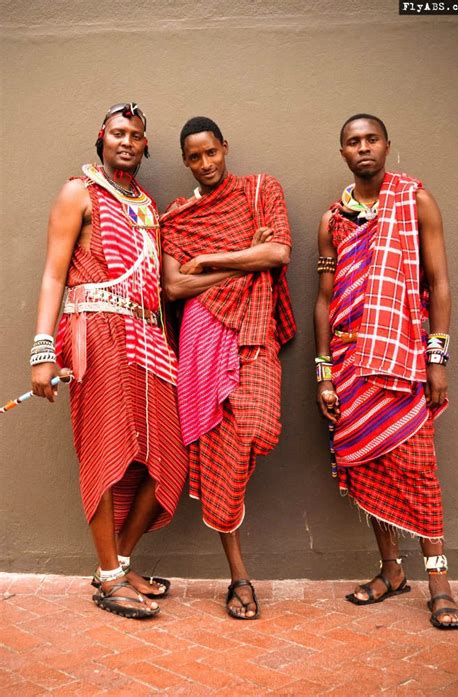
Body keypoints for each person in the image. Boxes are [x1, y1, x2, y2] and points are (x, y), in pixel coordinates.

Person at [31, 103, 188, 619]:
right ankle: (108, 576)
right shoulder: (78, 191)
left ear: (146, 146)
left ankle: (120, 560)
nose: (127, 141)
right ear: (101, 138)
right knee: (104, 453)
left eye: (137, 135)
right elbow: (55, 274)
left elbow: (166, 282)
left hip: (147, 337)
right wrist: (40, 351)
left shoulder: (149, 205)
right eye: (118, 132)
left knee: (168, 459)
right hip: (95, 335)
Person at [314, 113, 458, 629]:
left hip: (403, 361)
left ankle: (439, 581)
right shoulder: (333, 219)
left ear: (387, 145)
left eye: (371, 139)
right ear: (342, 153)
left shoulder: (415, 201)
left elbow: (440, 284)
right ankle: (391, 569)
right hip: (351, 361)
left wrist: (437, 358)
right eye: (353, 142)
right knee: (366, 466)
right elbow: (324, 299)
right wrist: (323, 371)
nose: (363, 149)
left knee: (419, 469)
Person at [161, 116, 296, 619]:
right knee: (222, 445)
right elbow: (174, 287)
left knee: (257, 424)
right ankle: (239, 576)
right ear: (185, 162)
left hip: (253, 329)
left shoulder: (262, 190)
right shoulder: (177, 215)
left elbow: (279, 250)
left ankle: (237, 569)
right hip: (200, 334)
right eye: (194, 157)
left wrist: (212, 260)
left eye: (211, 152)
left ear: (224, 147)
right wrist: (249, 257)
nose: (205, 164)